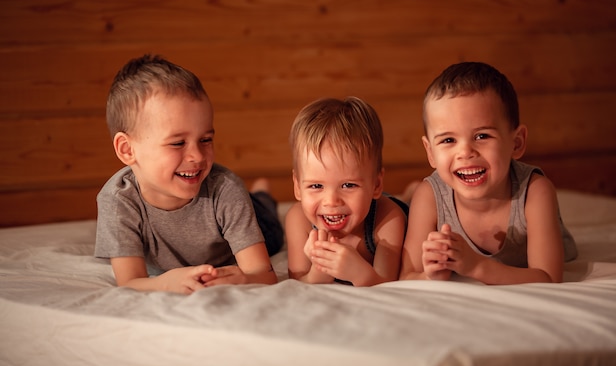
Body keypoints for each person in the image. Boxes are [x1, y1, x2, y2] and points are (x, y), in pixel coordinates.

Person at [94, 54, 283, 294]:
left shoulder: (225, 189)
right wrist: (167, 281)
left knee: (270, 224)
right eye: (177, 143)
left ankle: (262, 195)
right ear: (127, 149)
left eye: (205, 139)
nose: (197, 156)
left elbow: (264, 275)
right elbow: (130, 281)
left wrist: (242, 279)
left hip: (254, 221)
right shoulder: (117, 200)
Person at [401, 62, 577, 285]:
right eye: (448, 140)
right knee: (405, 205)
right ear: (430, 153)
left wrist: (477, 266)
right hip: (421, 193)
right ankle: (407, 195)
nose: (465, 152)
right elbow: (407, 275)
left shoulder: (534, 191)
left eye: (482, 136)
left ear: (516, 143)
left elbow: (548, 277)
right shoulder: (429, 196)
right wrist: (430, 274)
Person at [285, 97, 408, 286]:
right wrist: (319, 271)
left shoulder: (388, 219)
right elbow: (297, 281)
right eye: (316, 186)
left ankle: (410, 193)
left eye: (348, 185)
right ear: (297, 187)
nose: (331, 201)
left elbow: (386, 284)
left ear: (376, 184)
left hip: (384, 205)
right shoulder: (298, 219)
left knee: (410, 204)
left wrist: (358, 272)